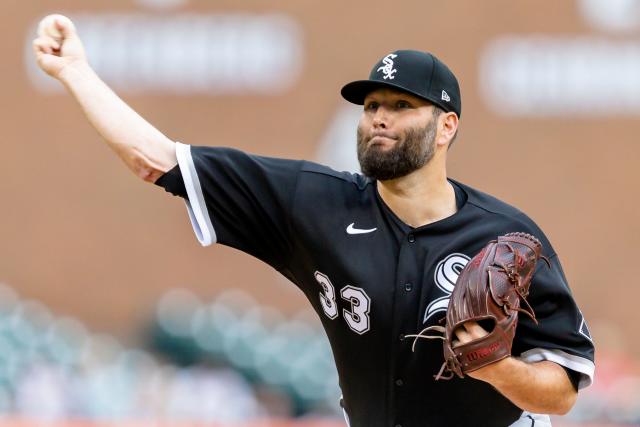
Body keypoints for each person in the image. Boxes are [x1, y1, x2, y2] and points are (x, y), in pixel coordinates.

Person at [33, 15, 595, 427]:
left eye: (402, 106)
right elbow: (156, 159)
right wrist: (76, 72)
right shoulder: (317, 203)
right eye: (372, 105)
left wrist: (497, 369)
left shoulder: (507, 237)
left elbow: (562, 392)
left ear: (446, 126)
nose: (379, 118)